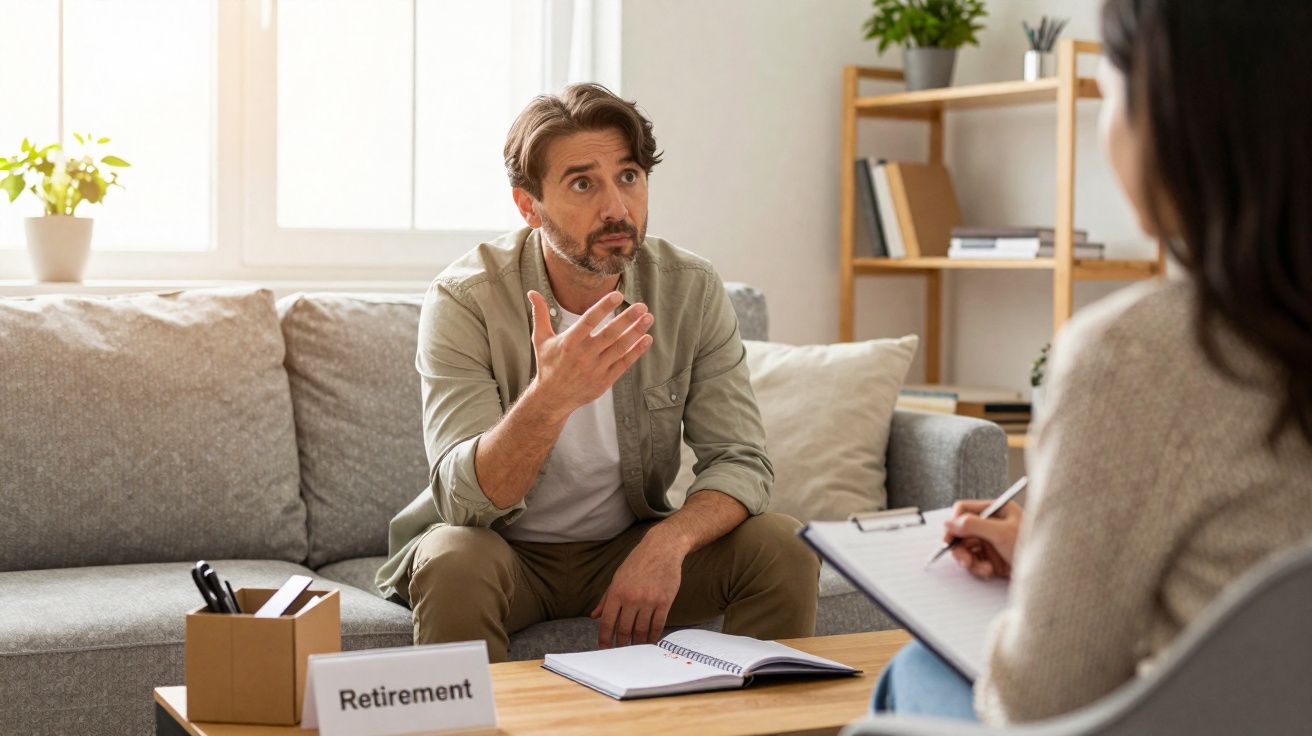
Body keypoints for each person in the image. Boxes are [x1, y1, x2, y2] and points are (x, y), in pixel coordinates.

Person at [872, 0, 1312, 724]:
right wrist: (1045, 555)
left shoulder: (1138, 357)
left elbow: (1039, 703)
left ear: (1175, 121)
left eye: (1110, 97)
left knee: (915, 671)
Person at [375, 83, 820, 662]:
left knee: (782, 545)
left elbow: (741, 460)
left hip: (624, 544)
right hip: (502, 552)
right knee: (455, 561)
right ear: (528, 205)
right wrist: (551, 397)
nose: (616, 207)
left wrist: (668, 542)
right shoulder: (465, 298)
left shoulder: (690, 287)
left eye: (629, 177)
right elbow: (465, 504)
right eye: (583, 183)